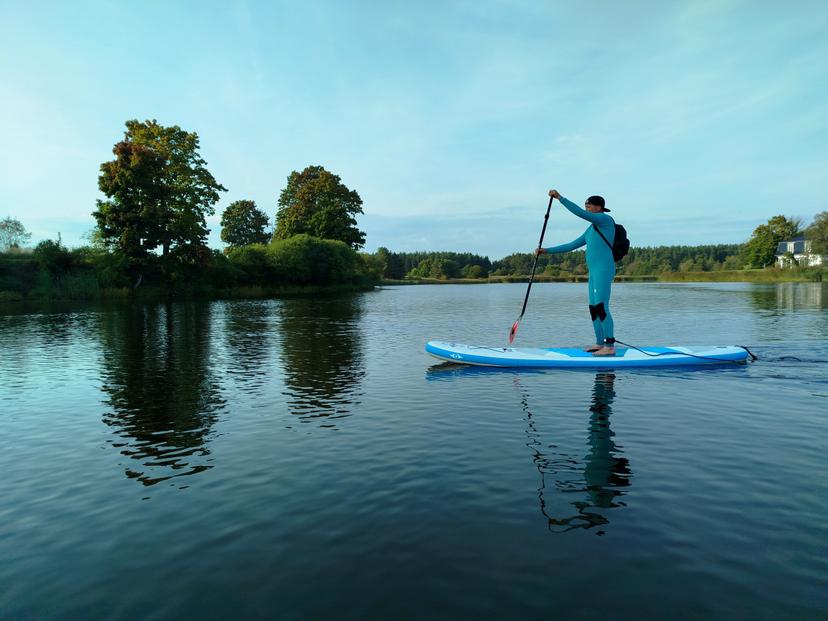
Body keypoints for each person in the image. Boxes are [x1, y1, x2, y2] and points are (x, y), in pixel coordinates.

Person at [536, 190, 617, 356]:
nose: (586, 209)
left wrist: (560, 198)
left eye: (589, 206)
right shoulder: (590, 230)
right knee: (593, 308)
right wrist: (546, 251)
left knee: (601, 307)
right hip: (593, 272)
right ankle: (599, 343)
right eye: (585, 206)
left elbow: (579, 213)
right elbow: (571, 245)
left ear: (598, 207)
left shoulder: (606, 220)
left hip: (604, 270)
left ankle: (609, 346)